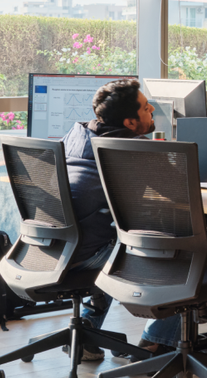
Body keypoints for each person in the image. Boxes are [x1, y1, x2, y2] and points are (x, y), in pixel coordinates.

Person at [61, 78, 166, 360]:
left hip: (52, 249)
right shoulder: (129, 148)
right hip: (84, 253)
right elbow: (178, 190)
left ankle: (85, 335)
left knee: (113, 241)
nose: (152, 109)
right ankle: (158, 343)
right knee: (175, 253)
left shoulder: (78, 134)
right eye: (146, 107)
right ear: (129, 123)